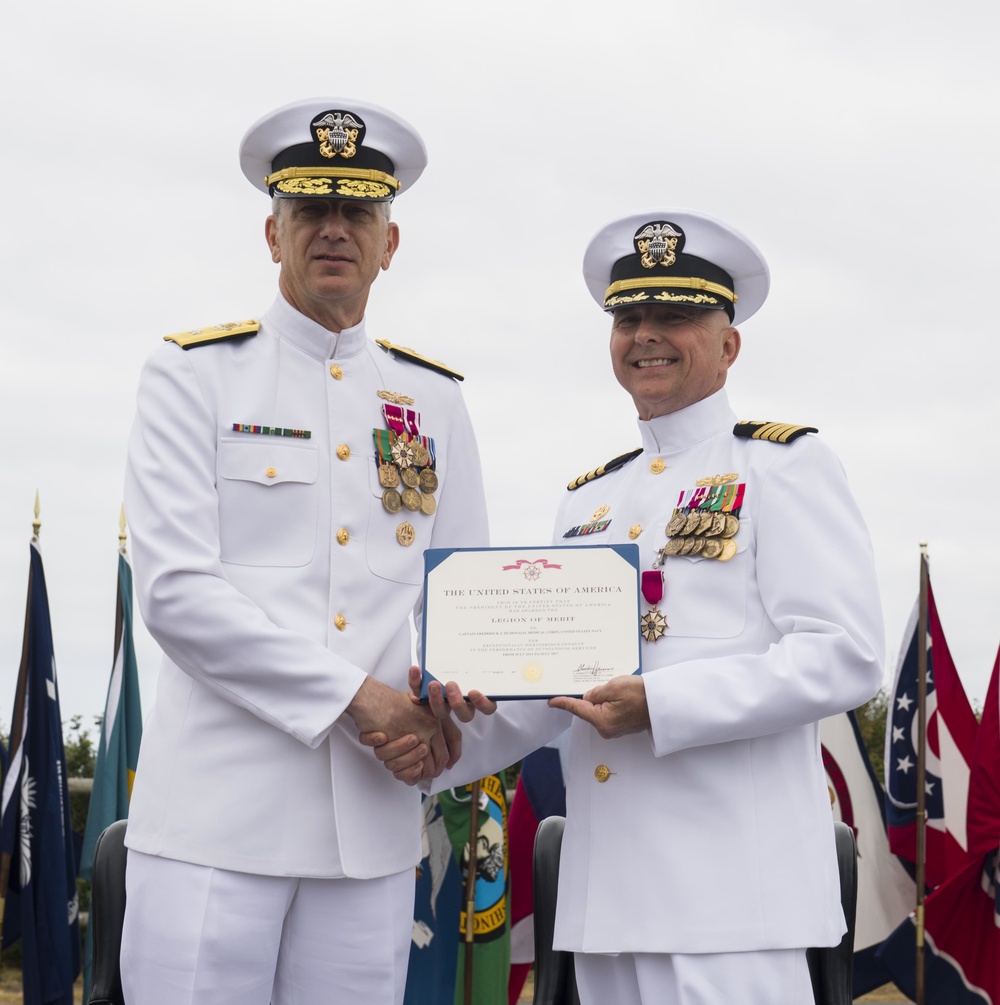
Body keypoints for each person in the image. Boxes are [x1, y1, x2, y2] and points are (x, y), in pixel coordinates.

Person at [367, 209, 885, 1005]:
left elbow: (844, 654)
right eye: (629, 317)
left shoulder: (786, 467)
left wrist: (663, 703)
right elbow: (556, 693)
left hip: (732, 909)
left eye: (676, 315)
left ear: (729, 343)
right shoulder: (589, 503)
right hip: (605, 900)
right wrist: (447, 738)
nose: (647, 335)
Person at [120, 97, 488, 1005]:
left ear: (389, 241)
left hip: (367, 826)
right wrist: (359, 699)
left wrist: (443, 718)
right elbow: (174, 594)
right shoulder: (192, 374)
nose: (334, 232)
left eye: (357, 212)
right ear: (271, 230)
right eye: (311, 212)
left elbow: (464, 604)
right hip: (216, 822)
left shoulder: (432, 401)